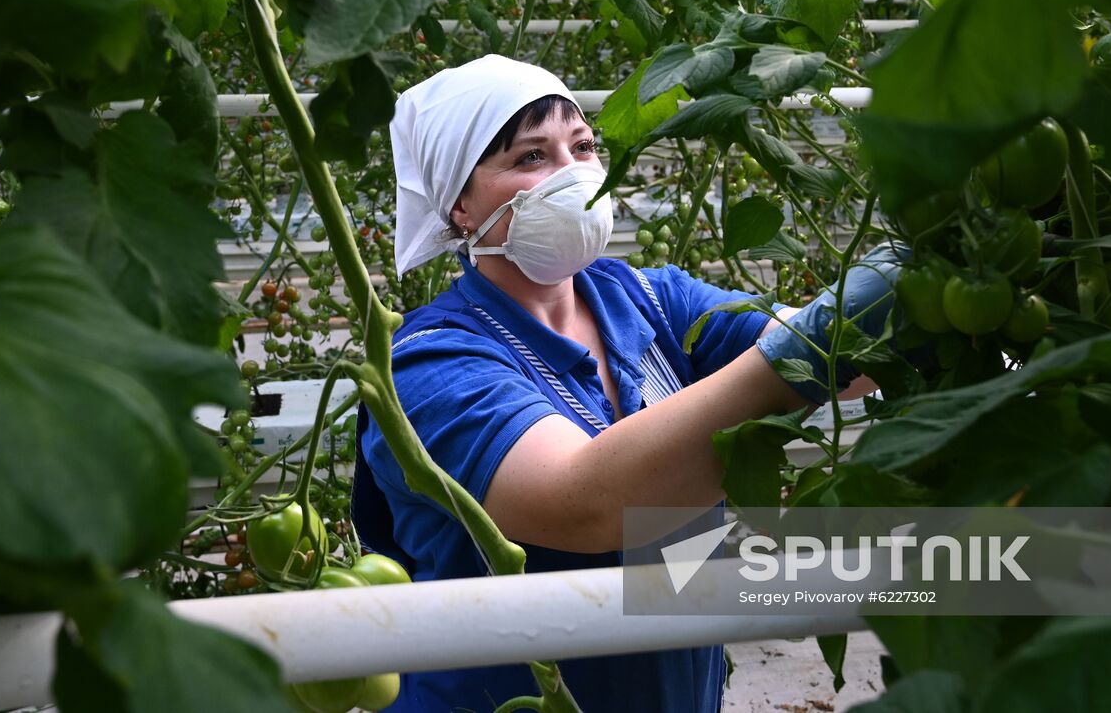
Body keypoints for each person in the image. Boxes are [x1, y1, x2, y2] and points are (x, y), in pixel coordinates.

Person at [353, 54, 907, 712]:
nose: (575, 173)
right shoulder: (427, 364)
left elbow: (847, 364)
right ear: (460, 206)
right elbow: (589, 500)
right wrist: (814, 343)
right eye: (532, 156)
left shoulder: (647, 298)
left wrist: (902, 294)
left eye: (583, 145)